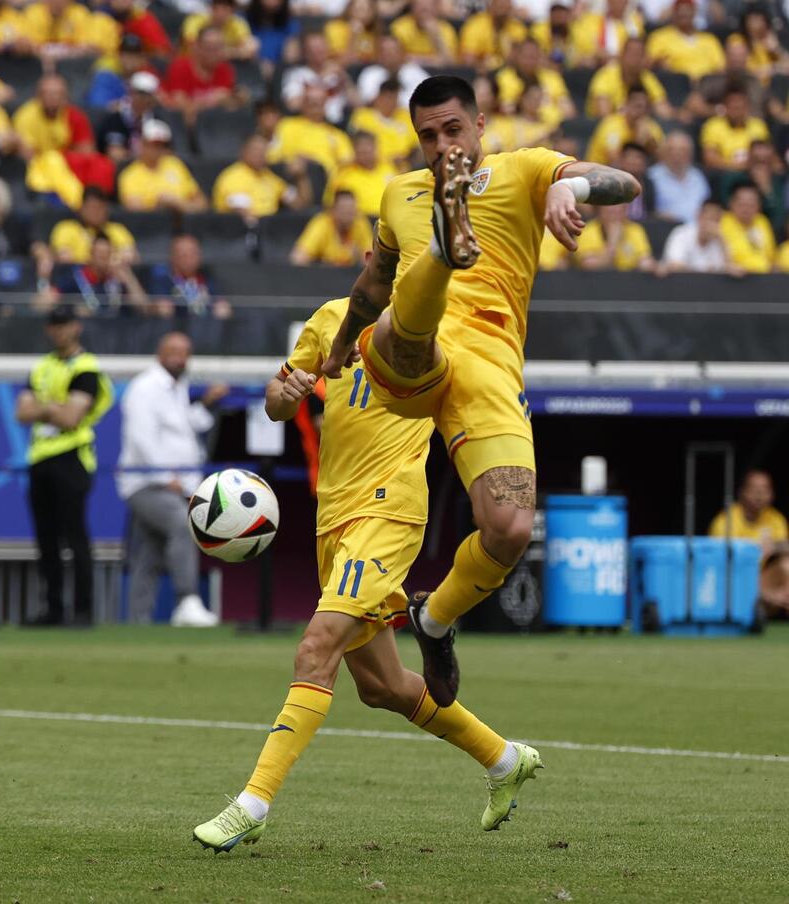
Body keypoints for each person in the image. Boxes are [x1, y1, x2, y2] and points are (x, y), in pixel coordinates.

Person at [320, 75, 639, 709]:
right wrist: (336, 351)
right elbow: (369, 287)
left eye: (452, 130)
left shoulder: (525, 171)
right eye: (427, 136)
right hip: (408, 355)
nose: (440, 144)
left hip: (491, 366)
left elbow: (624, 182)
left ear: (481, 126)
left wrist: (569, 188)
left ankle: (433, 621)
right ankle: (444, 246)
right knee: (407, 326)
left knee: (510, 528)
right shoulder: (397, 193)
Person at [191, 292, 540, 852]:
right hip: (334, 519)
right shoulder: (332, 318)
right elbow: (276, 402)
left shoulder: (440, 328)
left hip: (389, 509)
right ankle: (504, 759)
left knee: (315, 648)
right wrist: (290, 391)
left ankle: (251, 805)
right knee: (383, 688)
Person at [117, 332, 227, 626]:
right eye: (174, 351)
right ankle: (187, 600)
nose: (180, 358)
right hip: (145, 483)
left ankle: (136, 622)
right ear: (160, 353)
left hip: (174, 482)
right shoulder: (145, 388)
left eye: (185, 352)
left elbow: (185, 428)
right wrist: (166, 477)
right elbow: (141, 439)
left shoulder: (177, 387)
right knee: (182, 523)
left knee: (149, 554)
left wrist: (206, 404)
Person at [15, 306, 114, 626]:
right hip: (40, 457)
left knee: (75, 536)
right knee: (46, 538)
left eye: (64, 324)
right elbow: (22, 412)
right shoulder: (42, 366)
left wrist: (42, 407)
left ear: (76, 327)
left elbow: (72, 418)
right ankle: (54, 609)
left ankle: (83, 611)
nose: (59, 330)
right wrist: (56, 407)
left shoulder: (87, 367)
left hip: (72, 457)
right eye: (54, 324)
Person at [212, 133, 311, 217]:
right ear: (243, 151)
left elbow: (300, 205)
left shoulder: (270, 178)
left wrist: (301, 177)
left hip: (267, 232)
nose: (260, 154)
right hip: (238, 235)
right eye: (255, 149)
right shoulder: (233, 177)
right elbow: (244, 215)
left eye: (264, 150)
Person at [117, 119, 206, 213]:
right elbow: (134, 208)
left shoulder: (175, 165)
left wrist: (178, 204)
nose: (157, 149)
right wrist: (158, 205)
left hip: (183, 221)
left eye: (161, 145)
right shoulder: (130, 175)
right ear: (142, 144)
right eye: (153, 144)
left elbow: (201, 203)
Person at [268, 84, 354, 175]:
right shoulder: (286, 125)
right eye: (311, 102)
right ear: (303, 103)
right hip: (292, 177)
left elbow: (347, 165)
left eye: (319, 102)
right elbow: (273, 156)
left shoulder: (337, 135)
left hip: (325, 181)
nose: (315, 106)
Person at [52, 234, 147, 313]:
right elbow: (49, 299)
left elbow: (142, 307)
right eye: (100, 255)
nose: (104, 259)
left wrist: (129, 279)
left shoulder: (118, 280)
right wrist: (74, 310)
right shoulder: (75, 278)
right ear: (90, 255)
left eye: (108, 254)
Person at [146, 234, 232, 319]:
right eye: (184, 255)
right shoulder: (163, 279)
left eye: (193, 253)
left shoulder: (208, 277)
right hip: (176, 326)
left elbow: (219, 300)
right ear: (173, 257)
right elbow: (158, 306)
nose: (189, 258)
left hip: (206, 327)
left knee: (223, 308)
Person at [49, 186, 137, 264]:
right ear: (81, 208)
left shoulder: (117, 230)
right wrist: (95, 264)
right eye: (92, 207)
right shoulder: (66, 229)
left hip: (113, 279)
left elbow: (129, 256)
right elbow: (64, 259)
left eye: (100, 208)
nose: (96, 213)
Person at [709, 470, 788, 550]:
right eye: (754, 489)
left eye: (765, 489)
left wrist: (775, 547)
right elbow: (719, 554)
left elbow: (784, 549)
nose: (759, 495)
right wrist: (757, 546)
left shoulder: (777, 519)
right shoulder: (725, 521)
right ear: (741, 492)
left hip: (768, 562)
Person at [645, 0, 724, 81]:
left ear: (694, 12)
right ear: (674, 13)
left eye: (687, 10)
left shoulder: (709, 40)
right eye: (680, 10)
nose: (683, 13)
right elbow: (647, 65)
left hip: (707, 84)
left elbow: (720, 68)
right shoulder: (659, 37)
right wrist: (658, 64)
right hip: (676, 83)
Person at [289, 190, 372, 266]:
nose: (349, 216)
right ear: (333, 210)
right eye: (344, 210)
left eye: (352, 211)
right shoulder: (321, 224)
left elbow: (371, 261)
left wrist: (359, 259)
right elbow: (297, 259)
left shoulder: (360, 223)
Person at [586, 85, 663, 165]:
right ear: (627, 104)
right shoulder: (612, 125)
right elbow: (614, 161)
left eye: (646, 107)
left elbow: (663, 161)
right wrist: (639, 142)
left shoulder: (651, 126)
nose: (642, 111)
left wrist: (651, 143)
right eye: (638, 106)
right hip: (600, 172)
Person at [700, 84, 770, 172]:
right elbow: (710, 159)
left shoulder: (758, 125)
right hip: (725, 173)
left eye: (741, 107)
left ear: (748, 107)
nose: (738, 112)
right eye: (734, 108)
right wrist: (737, 166)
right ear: (726, 108)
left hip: (753, 171)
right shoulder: (713, 126)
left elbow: (766, 154)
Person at [324, 130, 396, 216]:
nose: (366, 154)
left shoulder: (388, 167)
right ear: (354, 150)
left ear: (376, 148)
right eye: (362, 151)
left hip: (389, 219)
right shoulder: (344, 173)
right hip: (360, 221)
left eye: (369, 149)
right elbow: (330, 204)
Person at [660, 200, 737, 275]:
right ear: (699, 216)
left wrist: (722, 241)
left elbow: (729, 268)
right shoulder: (681, 234)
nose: (712, 225)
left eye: (716, 220)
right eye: (709, 218)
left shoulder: (719, 240)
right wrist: (703, 270)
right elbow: (675, 265)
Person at [647, 131, 709, 225]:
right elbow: (648, 212)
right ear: (664, 153)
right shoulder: (652, 176)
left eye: (683, 150)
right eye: (672, 150)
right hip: (666, 229)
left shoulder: (698, 176)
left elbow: (707, 206)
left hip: (698, 230)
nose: (677, 154)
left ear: (691, 154)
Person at [575, 203, 655, 271]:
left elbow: (644, 261)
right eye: (610, 208)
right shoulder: (588, 231)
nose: (616, 209)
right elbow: (589, 266)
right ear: (600, 209)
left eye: (620, 206)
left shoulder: (635, 230)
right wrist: (612, 243)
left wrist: (653, 267)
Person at [720, 181, 775, 273]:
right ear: (731, 203)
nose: (746, 209)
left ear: (759, 206)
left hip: (763, 277)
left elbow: (770, 255)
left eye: (751, 205)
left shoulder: (762, 221)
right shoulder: (722, 222)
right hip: (733, 279)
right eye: (742, 204)